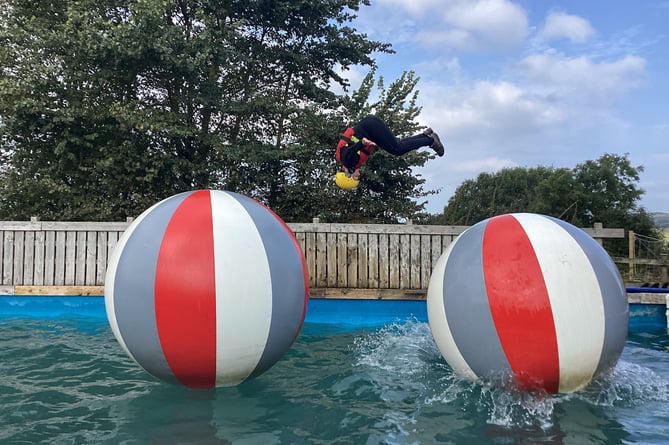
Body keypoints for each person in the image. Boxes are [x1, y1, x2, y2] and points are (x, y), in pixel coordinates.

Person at [334, 115, 445, 190]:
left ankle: (431, 141)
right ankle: (425, 135)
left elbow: (349, 152)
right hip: (369, 124)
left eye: (356, 177)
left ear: (348, 175)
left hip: (370, 128)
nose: (359, 175)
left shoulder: (348, 162)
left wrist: (362, 143)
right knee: (397, 144)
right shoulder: (348, 161)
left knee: (397, 150)